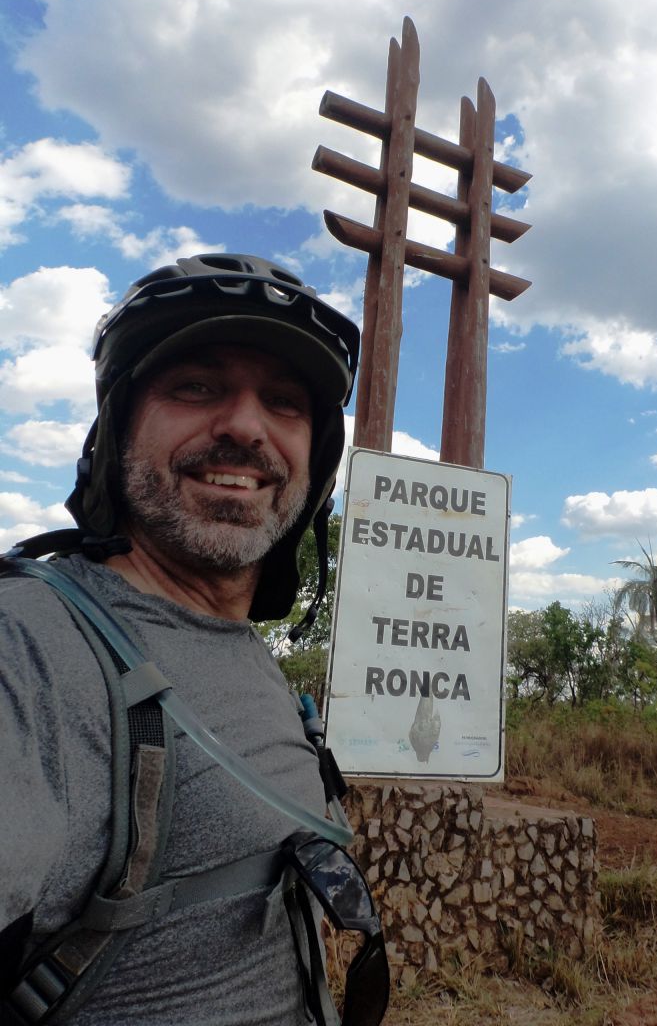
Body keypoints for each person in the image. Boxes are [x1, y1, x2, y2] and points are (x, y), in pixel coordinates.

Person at [0, 255, 388, 1026]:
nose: (246, 426)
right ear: (119, 431)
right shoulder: (31, 645)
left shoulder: (245, 651)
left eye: (284, 402)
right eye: (197, 387)